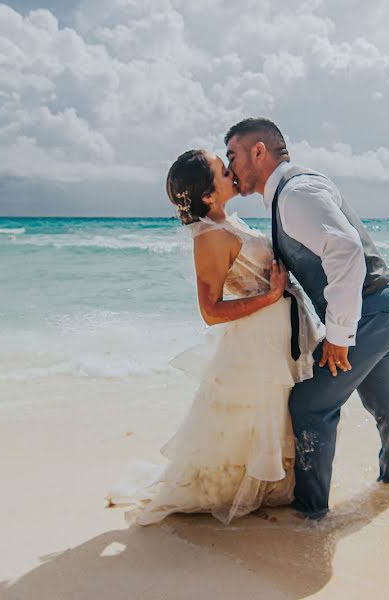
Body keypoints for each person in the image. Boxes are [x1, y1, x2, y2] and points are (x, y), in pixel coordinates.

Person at [106, 149, 323, 525]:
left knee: (276, 412)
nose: (232, 171)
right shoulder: (208, 235)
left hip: (274, 338)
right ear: (208, 195)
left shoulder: (228, 222)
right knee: (252, 416)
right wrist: (271, 296)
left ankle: (277, 484)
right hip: (254, 344)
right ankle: (243, 487)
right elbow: (211, 311)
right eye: (224, 171)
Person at [226, 118, 389, 520]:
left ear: (258, 152)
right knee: (387, 405)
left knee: (310, 405)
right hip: (379, 305)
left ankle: (310, 515)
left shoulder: (296, 193)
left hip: (369, 311)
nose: (229, 169)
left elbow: (345, 252)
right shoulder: (289, 193)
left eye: (233, 156)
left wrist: (340, 336)